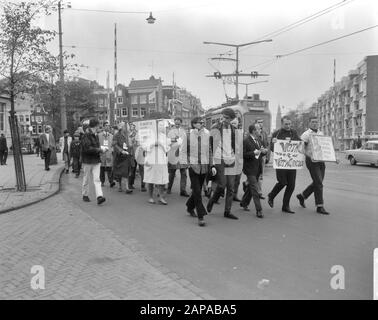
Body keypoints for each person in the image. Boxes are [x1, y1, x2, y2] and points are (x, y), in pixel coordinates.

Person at [181, 117, 216, 226]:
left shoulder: (207, 134)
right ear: (194, 124)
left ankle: (189, 206)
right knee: (197, 191)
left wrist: (212, 165)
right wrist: (187, 164)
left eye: (202, 122)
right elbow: (183, 151)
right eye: (200, 123)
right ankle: (201, 216)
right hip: (193, 167)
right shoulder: (187, 135)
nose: (202, 124)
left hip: (204, 167)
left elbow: (209, 151)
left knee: (198, 189)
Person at [207, 108, 239, 220]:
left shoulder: (234, 130)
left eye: (227, 118)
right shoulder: (215, 128)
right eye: (223, 117)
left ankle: (227, 211)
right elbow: (209, 146)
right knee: (222, 184)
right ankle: (212, 200)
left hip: (230, 159)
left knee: (231, 187)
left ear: (231, 119)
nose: (224, 119)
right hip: (219, 158)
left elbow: (236, 145)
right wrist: (212, 162)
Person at [296, 117, 330, 215]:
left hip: (320, 160)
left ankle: (302, 196)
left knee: (318, 182)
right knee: (319, 183)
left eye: (316, 122)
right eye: (313, 122)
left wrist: (332, 157)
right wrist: (309, 155)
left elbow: (325, 147)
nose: (315, 124)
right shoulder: (306, 134)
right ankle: (320, 206)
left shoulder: (321, 133)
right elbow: (300, 148)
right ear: (309, 123)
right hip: (311, 161)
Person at [267, 116, 301, 214]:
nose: (288, 126)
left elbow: (299, 144)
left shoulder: (293, 132)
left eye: (289, 124)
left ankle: (285, 206)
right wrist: (273, 144)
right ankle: (271, 195)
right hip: (281, 163)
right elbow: (273, 148)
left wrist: (301, 144)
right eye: (286, 124)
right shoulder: (276, 133)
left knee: (291, 185)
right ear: (282, 124)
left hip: (291, 163)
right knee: (282, 182)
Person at [239, 124, 267, 218]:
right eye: (259, 129)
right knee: (255, 188)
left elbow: (260, 153)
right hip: (249, 168)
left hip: (258, 167)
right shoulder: (246, 140)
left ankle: (244, 202)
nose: (260, 130)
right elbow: (242, 154)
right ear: (254, 131)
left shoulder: (259, 139)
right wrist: (253, 153)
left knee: (251, 188)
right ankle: (259, 210)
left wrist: (264, 152)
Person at [143, 120, 171, 205]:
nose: (162, 127)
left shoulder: (163, 136)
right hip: (151, 160)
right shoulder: (149, 135)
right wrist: (153, 144)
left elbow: (167, 148)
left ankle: (161, 197)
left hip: (161, 160)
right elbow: (144, 146)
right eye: (160, 125)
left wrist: (162, 145)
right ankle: (150, 197)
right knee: (151, 179)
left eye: (163, 125)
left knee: (162, 179)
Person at [81, 118, 107, 205]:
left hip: (95, 160)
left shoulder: (95, 135)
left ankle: (99, 196)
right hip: (88, 161)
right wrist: (100, 150)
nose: (99, 127)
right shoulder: (86, 135)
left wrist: (101, 149)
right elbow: (87, 149)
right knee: (86, 178)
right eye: (98, 125)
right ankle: (85, 195)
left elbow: (94, 147)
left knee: (97, 179)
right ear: (95, 126)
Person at [167, 117, 189, 196]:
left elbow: (186, 142)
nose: (177, 124)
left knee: (184, 173)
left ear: (181, 123)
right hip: (173, 154)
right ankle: (169, 188)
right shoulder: (170, 132)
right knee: (172, 173)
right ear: (174, 123)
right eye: (176, 123)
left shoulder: (184, 132)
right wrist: (175, 140)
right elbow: (167, 142)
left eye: (178, 123)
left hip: (182, 155)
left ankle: (183, 190)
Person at [112, 122, 133, 194]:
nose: (127, 128)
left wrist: (130, 146)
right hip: (119, 156)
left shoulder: (127, 135)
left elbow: (129, 145)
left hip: (126, 156)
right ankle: (120, 186)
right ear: (121, 128)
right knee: (119, 172)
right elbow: (114, 144)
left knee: (125, 171)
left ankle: (127, 188)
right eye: (125, 127)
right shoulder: (116, 135)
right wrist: (121, 151)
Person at [255, 118, 269, 199]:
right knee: (254, 175)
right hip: (255, 157)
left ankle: (259, 192)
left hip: (262, 157)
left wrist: (267, 155)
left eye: (262, 122)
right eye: (259, 122)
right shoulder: (253, 133)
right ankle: (247, 184)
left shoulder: (264, 133)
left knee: (261, 175)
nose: (261, 124)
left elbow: (266, 144)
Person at [230, 117, 243, 202]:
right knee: (229, 179)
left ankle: (234, 194)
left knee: (237, 179)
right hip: (230, 158)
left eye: (235, 123)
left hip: (239, 159)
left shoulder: (241, 133)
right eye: (232, 123)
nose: (234, 125)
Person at [98, 122, 115, 187]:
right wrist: (100, 150)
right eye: (106, 126)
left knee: (109, 168)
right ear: (103, 127)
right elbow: (97, 144)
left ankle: (111, 182)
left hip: (109, 154)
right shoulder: (99, 135)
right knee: (102, 168)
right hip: (102, 154)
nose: (107, 127)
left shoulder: (111, 136)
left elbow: (112, 145)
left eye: (108, 126)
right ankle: (102, 182)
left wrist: (111, 151)